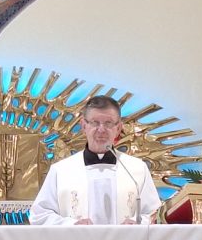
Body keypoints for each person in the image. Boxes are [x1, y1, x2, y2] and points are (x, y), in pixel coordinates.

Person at [30, 95, 161, 225]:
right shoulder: (60, 170)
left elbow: (153, 215)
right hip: (76, 239)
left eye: (108, 123)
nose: (101, 130)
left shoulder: (137, 169)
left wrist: (136, 223)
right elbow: (40, 215)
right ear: (83, 126)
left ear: (118, 128)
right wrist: (71, 225)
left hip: (126, 239)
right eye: (95, 122)